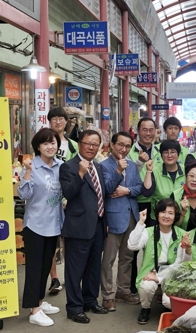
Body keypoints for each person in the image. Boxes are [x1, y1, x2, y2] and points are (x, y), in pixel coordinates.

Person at [59, 130, 109, 323]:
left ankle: (90, 301)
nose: (91, 147)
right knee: (75, 270)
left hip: (98, 224)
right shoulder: (68, 167)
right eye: (87, 143)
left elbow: (101, 194)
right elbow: (69, 193)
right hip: (78, 226)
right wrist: (80, 173)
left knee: (93, 267)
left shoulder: (97, 165)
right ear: (79, 144)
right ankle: (74, 307)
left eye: (95, 144)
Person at [100, 131, 153, 312]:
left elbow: (139, 188)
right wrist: (118, 171)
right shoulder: (104, 166)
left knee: (128, 257)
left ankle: (122, 291)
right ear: (112, 145)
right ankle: (107, 295)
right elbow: (107, 189)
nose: (124, 149)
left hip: (132, 215)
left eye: (127, 146)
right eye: (120, 145)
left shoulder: (131, 165)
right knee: (108, 259)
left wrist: (126, 191)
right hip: (113, 217)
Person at [18, 128, 63, 327]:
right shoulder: (31, 166)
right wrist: (27, 171)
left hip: (53, 224)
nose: (50, 146)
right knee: (35, 268)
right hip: (35, 225)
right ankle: (33, 310)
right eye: (45, 143)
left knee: (45, 267)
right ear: (38, 147)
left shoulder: (61, 166)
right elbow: (24, 195)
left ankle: (39, 302)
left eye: (53, 143)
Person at [127, 199, 187, 325]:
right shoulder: (148, 231)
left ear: (175, 216)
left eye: (170, 213)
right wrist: (140, 223)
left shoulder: (182, 235)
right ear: (157, 214)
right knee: (147, 286)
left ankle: (168, 307)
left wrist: (158, 278)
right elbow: (132, 246)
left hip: (171, 276)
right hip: (150, 272)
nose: (166, 216)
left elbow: (180, 263)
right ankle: (145, 308)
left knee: (168, 302)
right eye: (163, 212)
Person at [47, 106, 79, 295]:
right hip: (49, 198)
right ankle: (54, 278)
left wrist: (68, 197)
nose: (58, 121)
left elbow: (76, 172)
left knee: (68, 240)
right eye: (54, 118)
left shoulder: (73, 146)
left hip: (68, 198)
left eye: (61, 118)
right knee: (51, 240)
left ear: (67, 122)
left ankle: (69, 275)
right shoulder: (43, 141)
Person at [128, 117, 159, 227]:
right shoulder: (129, 151)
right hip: (137, 202)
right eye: (144, 130)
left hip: (156, 203)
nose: (148, 133)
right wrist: (139, 162)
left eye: (151, 130)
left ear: (155, 131)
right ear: (138, 131)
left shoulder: (159, 151)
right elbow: (127, 177)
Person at [144, 140, 186, 212]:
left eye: (173, 152)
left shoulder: (186, 171)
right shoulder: (155, 171)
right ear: (161, 155)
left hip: (181, 216)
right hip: (160, 216)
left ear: (178, 154)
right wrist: (148, 171)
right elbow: (147, 192)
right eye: (166, 152)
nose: (169, 155)